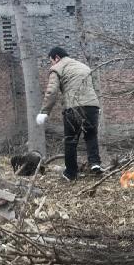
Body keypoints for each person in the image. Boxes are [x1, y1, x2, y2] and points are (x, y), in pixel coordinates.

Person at [36, 46, 103, 181]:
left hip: (73, 108)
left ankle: (71, 173)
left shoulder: (57, 68)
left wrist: (44, 112)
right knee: (91, 136)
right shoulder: (83, 66)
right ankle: (95, 163)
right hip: (92, 107)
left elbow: (51, 91)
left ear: (57, 58)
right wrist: (96, 106)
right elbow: (93, 86)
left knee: (70, 141)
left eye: (51, 61)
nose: (51, 64)